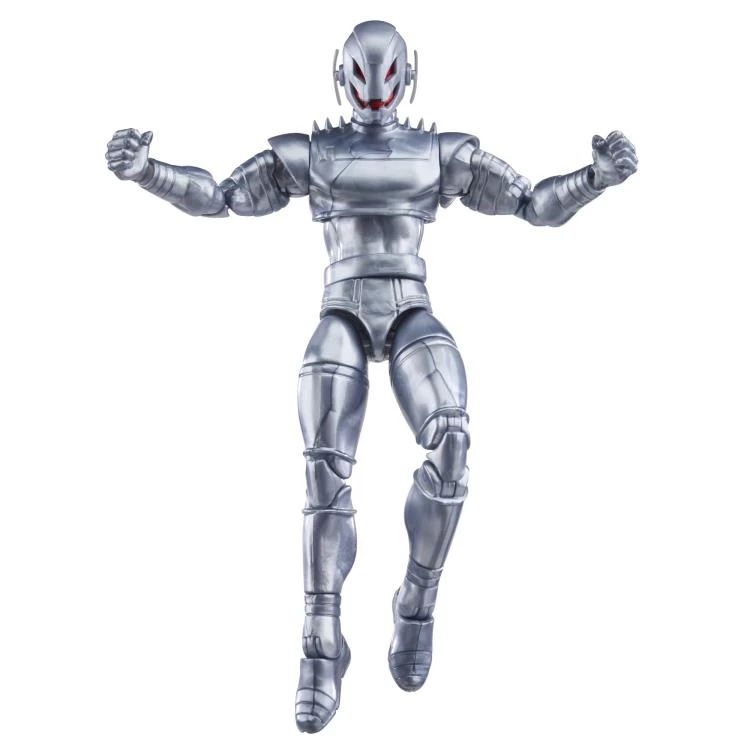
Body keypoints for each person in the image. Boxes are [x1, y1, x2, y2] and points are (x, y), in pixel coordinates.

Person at [105, 19, 637, 734]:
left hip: (411, 309)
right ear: (342, 75)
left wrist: (595, 179)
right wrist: (149, 173)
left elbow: (533, 204)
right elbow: (224, 196)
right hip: (344, 310)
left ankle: (416, 604)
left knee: (452, 440)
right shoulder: (315, 153)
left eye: (386, 75)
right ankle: (321, 646)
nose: (376, 88)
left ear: (408, 76)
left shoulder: (439, 153)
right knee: (323, 466)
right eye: (364, 75)